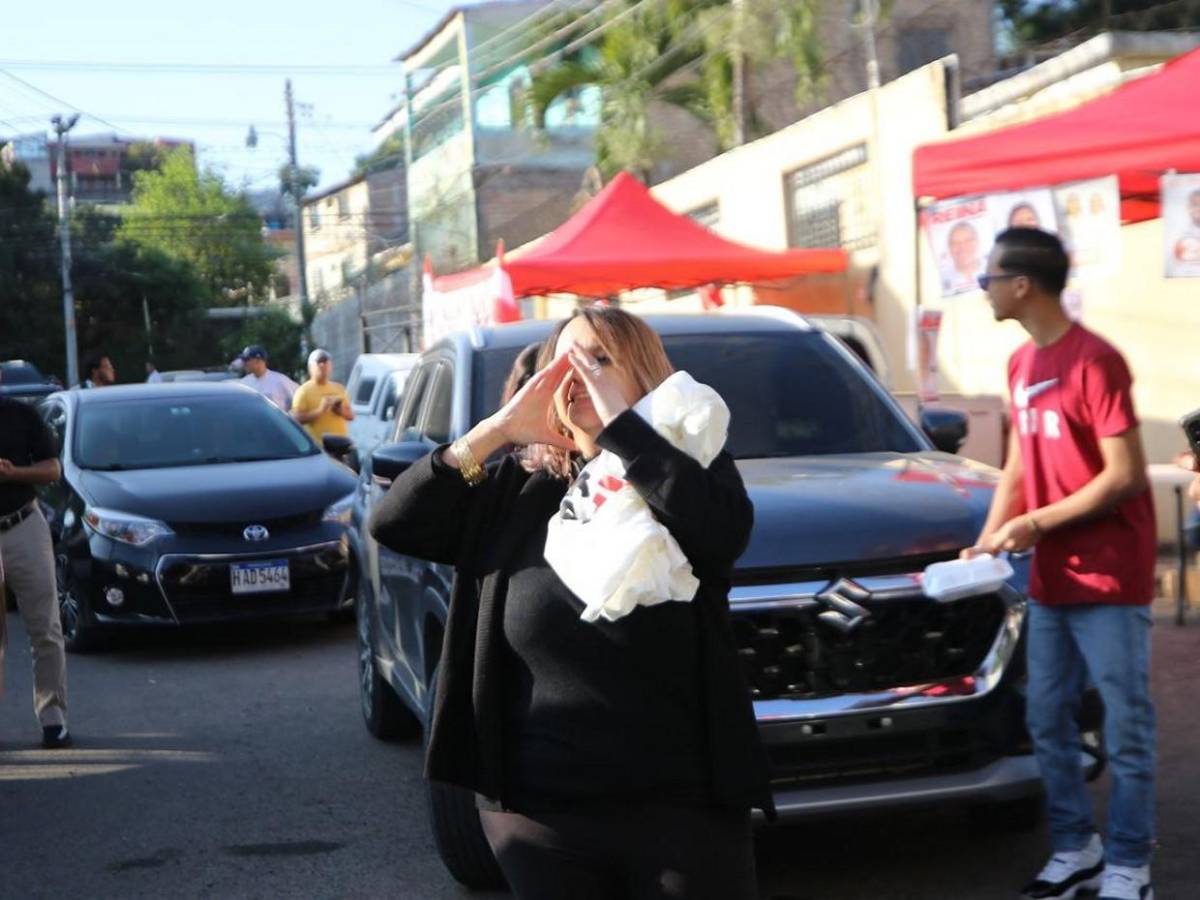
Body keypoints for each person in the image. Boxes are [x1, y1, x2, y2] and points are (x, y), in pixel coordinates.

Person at [369, 307, 770, 900]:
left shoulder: (686, 469)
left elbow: (720, 533)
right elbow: (396, 522)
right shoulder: (515, 491)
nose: (579, 375)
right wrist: (499, 429)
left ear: (645, 377)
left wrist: (624, 432)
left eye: (600, 360)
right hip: (540, 818)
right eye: (567, 360)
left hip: (682, 810)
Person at [967, 228, 1157, 900]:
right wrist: (990, 536)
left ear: (1022, 285)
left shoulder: (1095, 362)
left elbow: (1127, 475)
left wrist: (1034, 523)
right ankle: (1079, 849)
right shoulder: (1021, 365)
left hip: (1109, 578)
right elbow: (1021, 459)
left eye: (989, 275)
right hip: (1052, 578)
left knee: (1127, 728)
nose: (982, 286)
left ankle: (1131, 864)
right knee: (1047, 719)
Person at [0, 368, 71, 748]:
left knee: (45, 627)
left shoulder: (21, 415)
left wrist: (14, 473)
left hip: (23, 524)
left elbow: (52, 470)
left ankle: (53, 717)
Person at [291, 348, 353, 444]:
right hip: (319, 447)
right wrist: (320, 410)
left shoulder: (339, 388)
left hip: (340, 446)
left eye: (325, 362)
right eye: (319, 362)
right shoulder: (303, 391)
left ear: (331, 366)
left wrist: (339, 410)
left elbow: (351, 416)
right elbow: (297, 419)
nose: (322, 365)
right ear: (310, 367)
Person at [239, 345, 298, 411]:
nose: (244, 363)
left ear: (259, 361)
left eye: (247, 360)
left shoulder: (280, 380)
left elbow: (299, 398)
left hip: (274, 420)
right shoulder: (243, 383)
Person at [943, 220, 982, 293]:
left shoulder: (992, 272)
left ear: (977, 242)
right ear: (949, 248)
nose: (962, 247)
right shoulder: (942, 280)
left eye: (967, 241)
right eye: (955, 243)